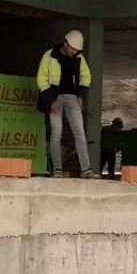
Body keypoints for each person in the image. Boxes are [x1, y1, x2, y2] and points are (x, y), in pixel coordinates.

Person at [36, 30, 100, 179]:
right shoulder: (49, 55)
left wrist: (81, 95)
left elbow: (86, 76)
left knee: (80, 133)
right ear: (65, 43)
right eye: (72, 49)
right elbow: (41, 78)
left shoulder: (79, 57)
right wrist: (51, 100)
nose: (74, 52)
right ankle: (57, 170)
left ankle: (86, 170)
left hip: (72, 98)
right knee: (56, 134)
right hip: (55, 98)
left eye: (77, 50)